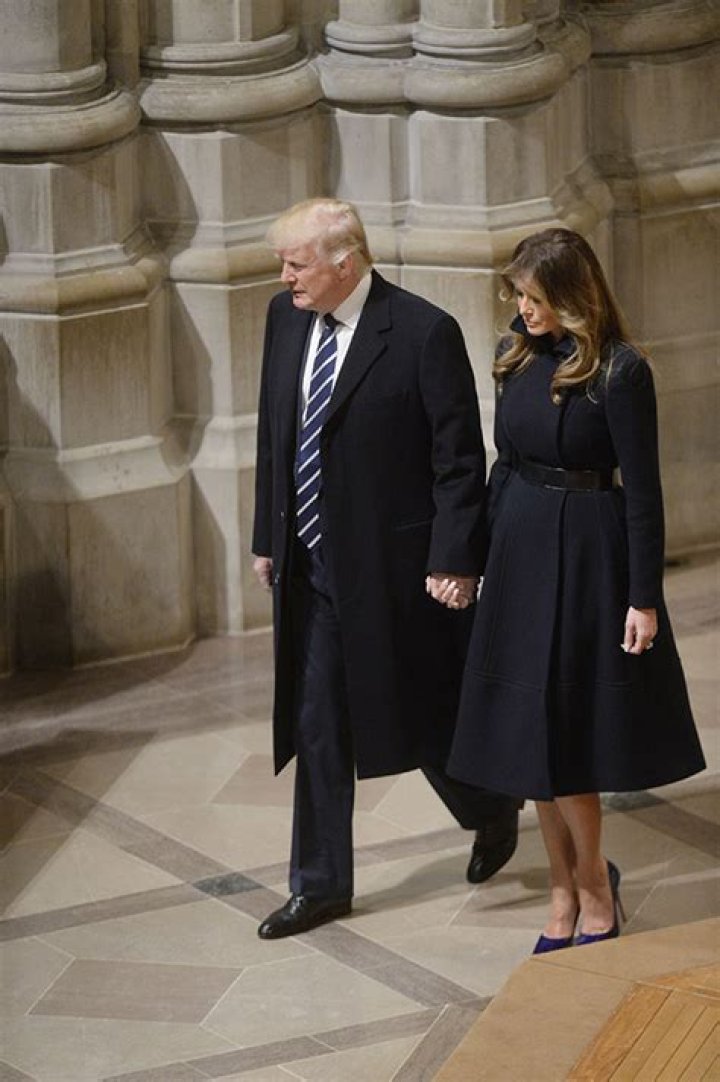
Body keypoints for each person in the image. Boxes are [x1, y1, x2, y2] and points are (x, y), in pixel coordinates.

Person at [252, 197, 520, 939]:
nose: (285, 277)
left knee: (417, 714)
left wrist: (452, 559)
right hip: (311, 566)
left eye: (297, 264)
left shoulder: (422, 333)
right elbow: (276, 435)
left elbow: (458, 462)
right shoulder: (285, 319)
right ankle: (320, 885)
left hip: (395, 569)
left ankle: (490, 807)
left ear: (345, 264)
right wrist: (266, 536)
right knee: (320, 724)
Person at [447, 227, 705, 951]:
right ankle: (561, 887)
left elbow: (645, 493)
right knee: (530, 741)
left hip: (591, 554)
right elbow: (503, 466)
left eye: (536, 297)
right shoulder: (513, 356)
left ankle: (594, 882)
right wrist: (473, 561)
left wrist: (643, 597)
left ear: (573, 295)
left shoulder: (621, 372)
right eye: (519, 296)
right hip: (521, 550)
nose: (524, 310)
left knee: (571, 742)